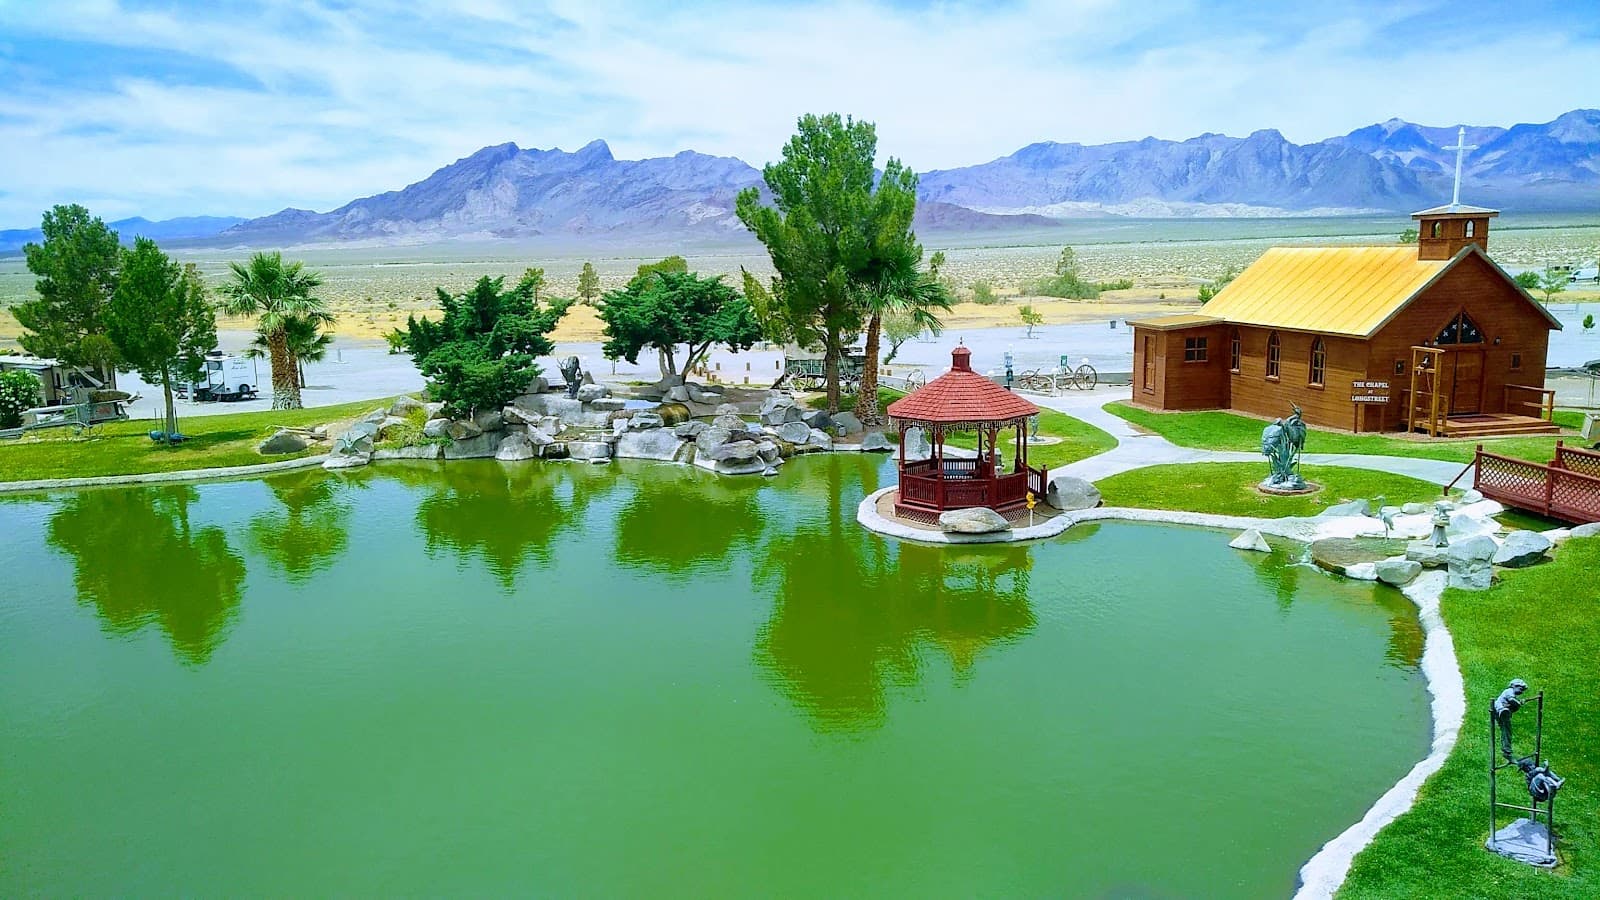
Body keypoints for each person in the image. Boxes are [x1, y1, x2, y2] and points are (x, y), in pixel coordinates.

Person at [1493, 679, 1529, 761]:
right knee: (1506, 726)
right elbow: (1511, 700)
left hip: (1505, 713)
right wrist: (1519, 703)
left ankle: (1507, 750)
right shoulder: (1509, 691)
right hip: (1499, 708)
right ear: (1514, 686)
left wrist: (1519, 704)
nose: (1521, 692)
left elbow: (1514, 707)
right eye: (1520, 689)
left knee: (1507, 731)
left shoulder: (1513, 695)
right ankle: (1502, 711)